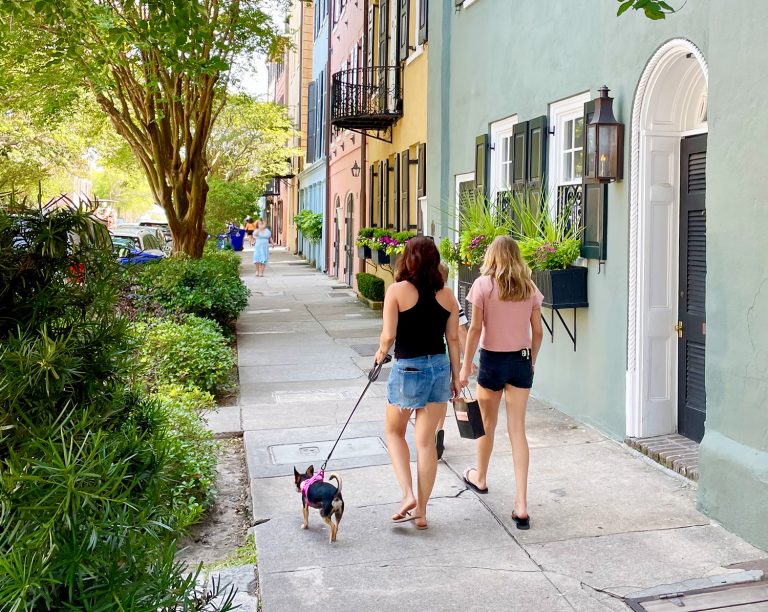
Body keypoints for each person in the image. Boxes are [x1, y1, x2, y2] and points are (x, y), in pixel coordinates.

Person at [374, 236, 461, 531]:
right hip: (438, 368)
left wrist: (380, 354)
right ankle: (421, 513)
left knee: (394, 431)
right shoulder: (448, 296)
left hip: (408, 368)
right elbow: (454, 340)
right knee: (426, 444)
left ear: (408, 259)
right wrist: (456, 376)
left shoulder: (397, 291)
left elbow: (388, 335)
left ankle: (408, 494)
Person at [459, 236, 544, 530]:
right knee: (517, 431)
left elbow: (475, 328)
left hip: (493, 360)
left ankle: (480, 477)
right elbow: (538, 332)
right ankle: (521, 505)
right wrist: (531, 360)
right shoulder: (529, 288)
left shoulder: (483, 285)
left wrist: (464, 365)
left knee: (486, 424)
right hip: (520, 361)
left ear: (492, 257)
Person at [434, 263, 472, 460]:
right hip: (446, 355)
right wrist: (466, 359)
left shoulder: (418, 294)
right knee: (441, 396)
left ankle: (429, 431)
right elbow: (460, 331)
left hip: (425, 354)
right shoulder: (450, 298)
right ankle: (438, 430)